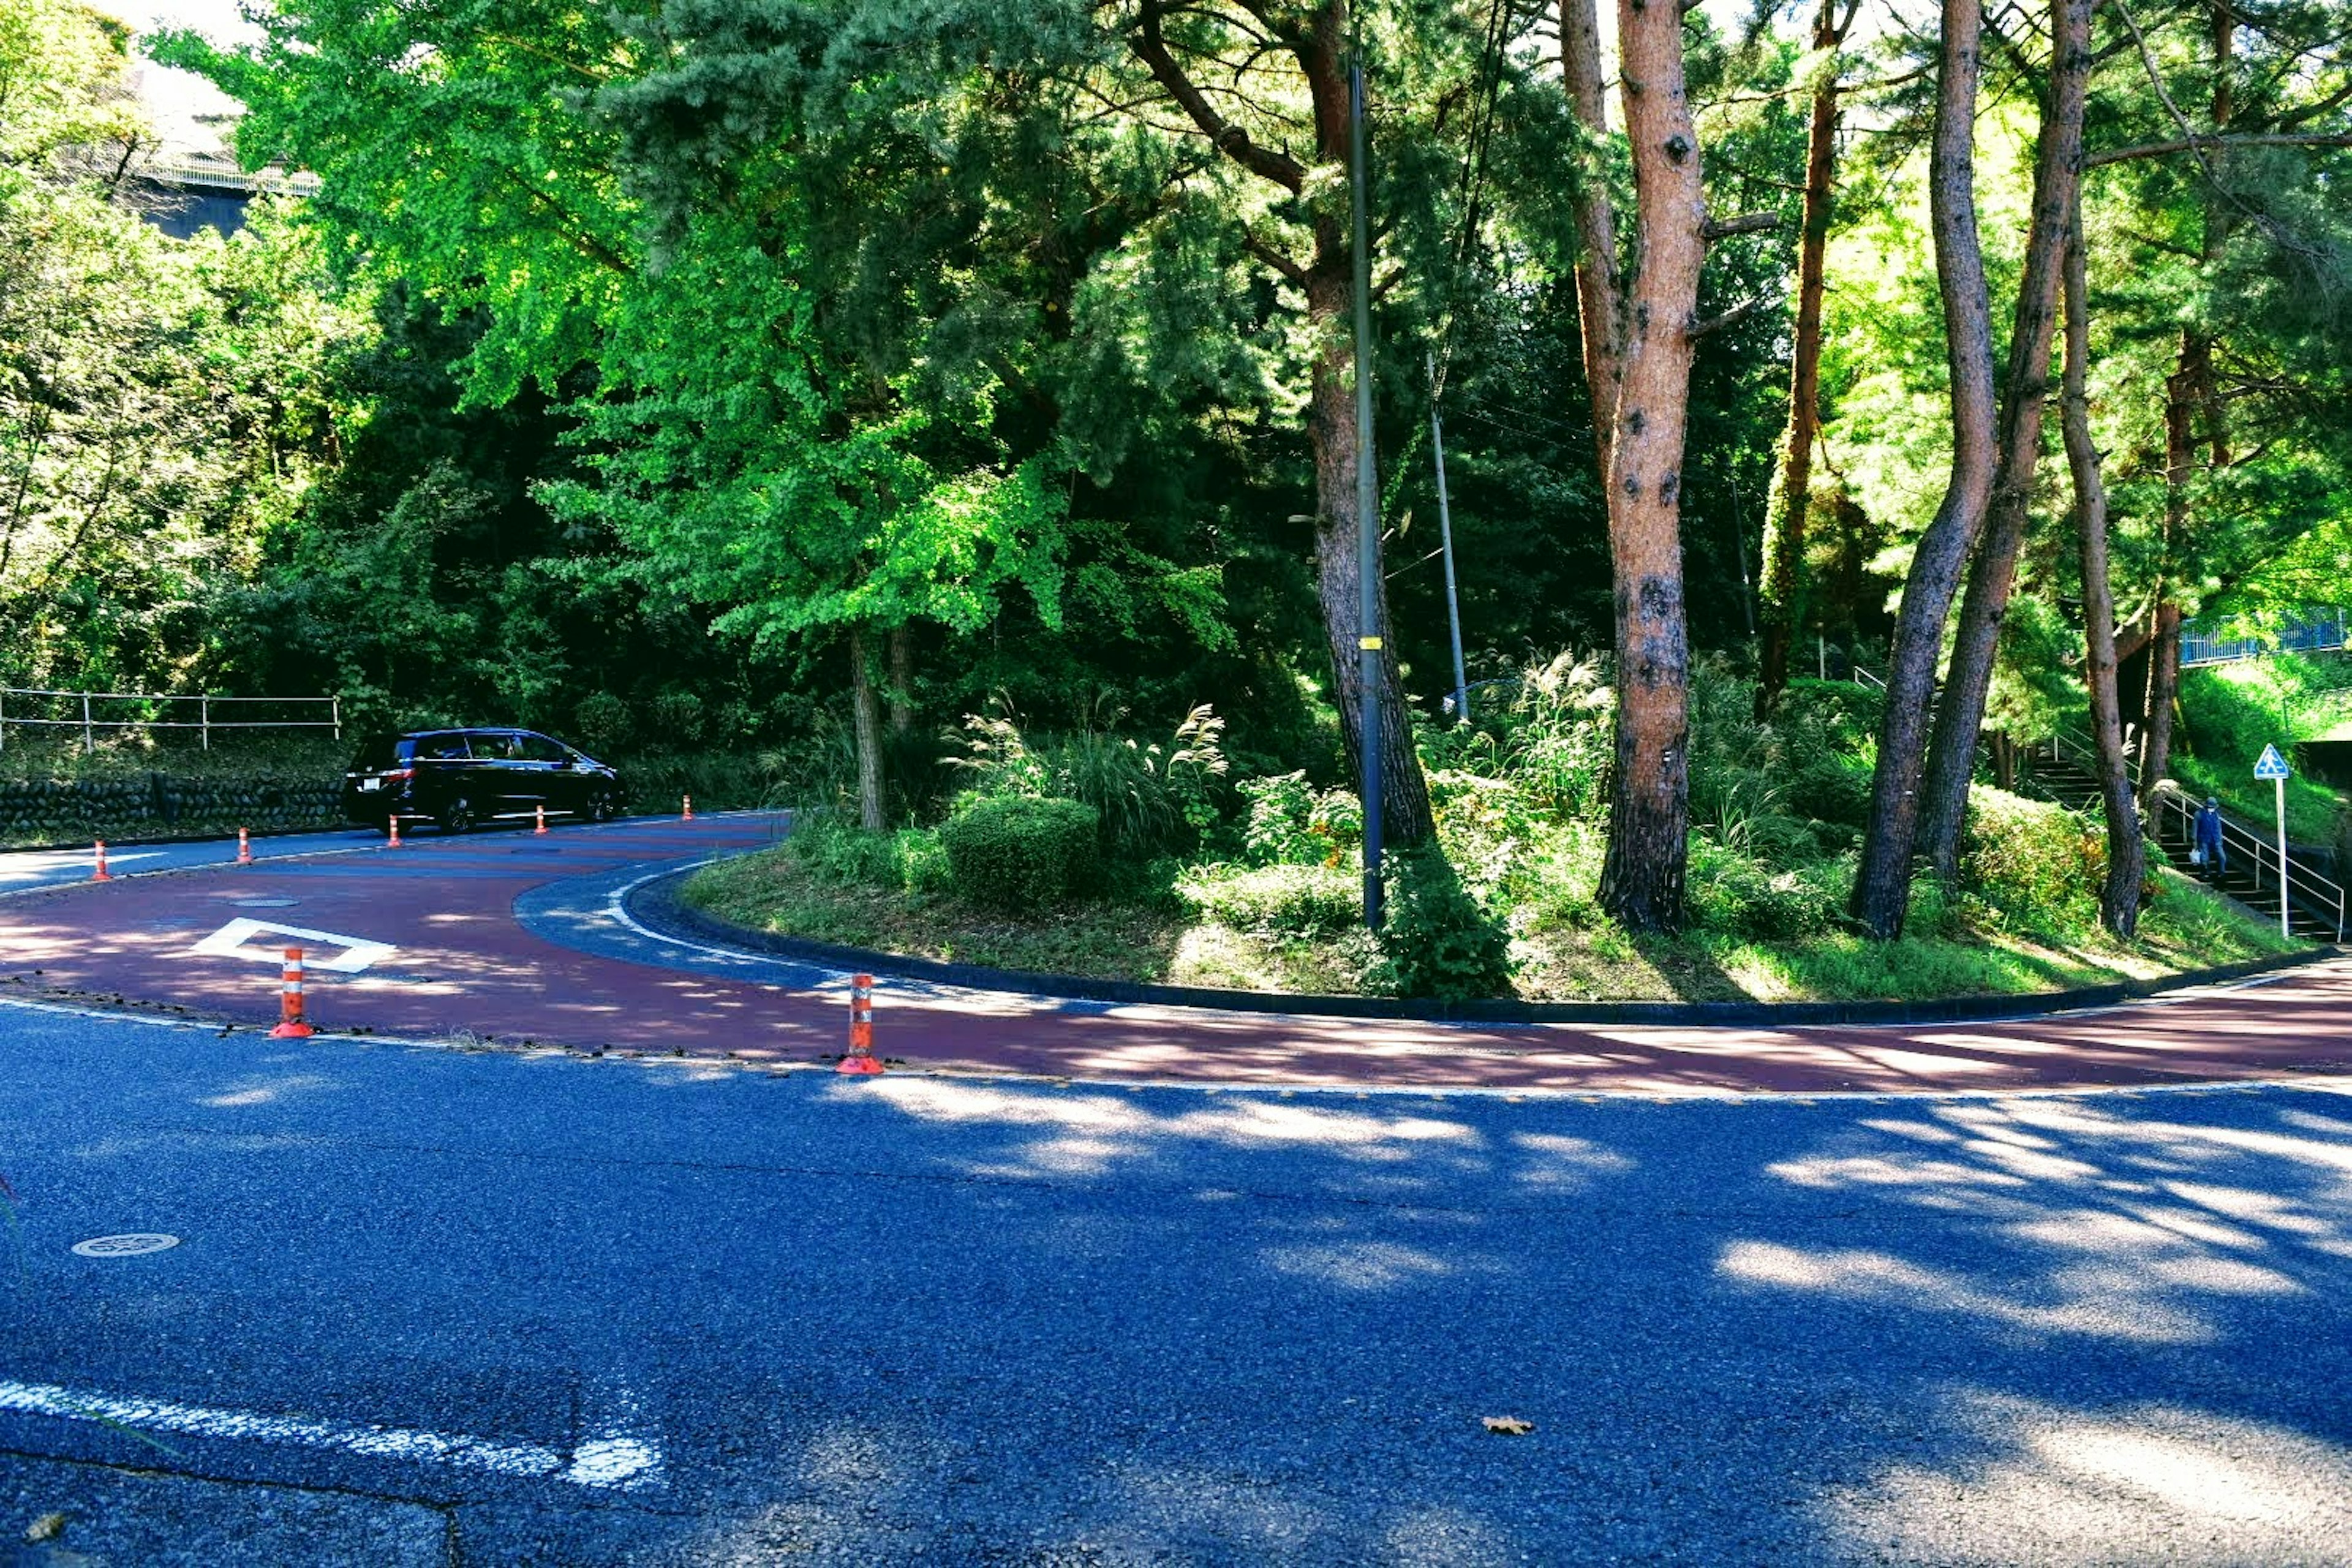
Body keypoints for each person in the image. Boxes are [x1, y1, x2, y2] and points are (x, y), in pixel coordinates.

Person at [2194, 796, 2226, 880]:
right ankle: (2205, 874)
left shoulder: (2216, 815)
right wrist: (2194, 841)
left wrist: (2220, 839)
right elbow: (2195, 828)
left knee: (2222, 857)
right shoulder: (2199, 814)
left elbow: (2219, 828)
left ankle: (2221, 874)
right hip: (2204, 839)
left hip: (2216, 839)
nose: (2212, 808)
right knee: (2205, 858)